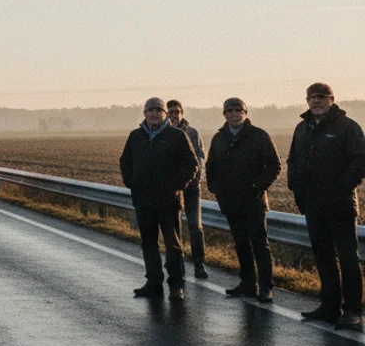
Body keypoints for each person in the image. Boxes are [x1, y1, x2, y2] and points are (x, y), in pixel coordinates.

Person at [287, 83, 365, 331]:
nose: (317, 102)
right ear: (307, 100)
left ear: (332, 100)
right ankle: (329, 307)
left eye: (322, 97)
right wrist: (296, 188)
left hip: (341, 204)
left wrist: (341, 187)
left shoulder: (347, 127)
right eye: (313, 97)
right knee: (324, 257)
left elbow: (360, 161)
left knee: (348, 258)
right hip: (313, 205)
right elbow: (293, 160)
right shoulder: (302, 128)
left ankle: (353, 311)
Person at [119, 97, 198, 301]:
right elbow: (125, 161)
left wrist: (176, 186)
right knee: (149, 244)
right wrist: (131, 182)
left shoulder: (176, 136)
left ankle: (176, 285)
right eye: (150, 110)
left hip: (169, 202)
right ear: (144, 113)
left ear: (165, 114)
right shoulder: (136, 136)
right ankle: (153, 283)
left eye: (158, 110)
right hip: (143, 200)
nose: (154, 114)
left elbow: (191, 165)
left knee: (173, 244)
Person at [205, 98, 281, 303]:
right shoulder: (219, 138)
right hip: (230, 201)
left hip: (254, 201)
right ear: (224, 115)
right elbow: (211, 166)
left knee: (259, 244)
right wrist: (216, 191)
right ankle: (248, 283)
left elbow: (274, 166)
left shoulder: (259, 136)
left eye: (238, 110)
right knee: (240, 244)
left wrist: (257, 188)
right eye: (229, 111)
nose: (234, 114)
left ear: (245, 113)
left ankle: (266, 287)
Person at [166, 100, 208, 279]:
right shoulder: (163, 133)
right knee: (172, 228)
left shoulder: (192, 133)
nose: (174, 116)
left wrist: (195, 179)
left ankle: (199, 265)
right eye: (170, 113)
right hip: (171, 189)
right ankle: (176, 263)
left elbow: (200, 158)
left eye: (176, 112)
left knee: (195, 226)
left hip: (191, 187)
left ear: (182, 113)